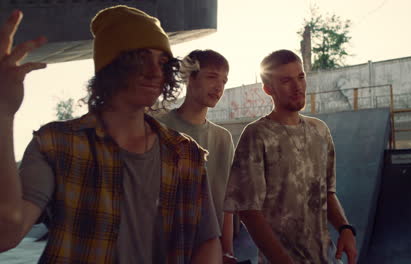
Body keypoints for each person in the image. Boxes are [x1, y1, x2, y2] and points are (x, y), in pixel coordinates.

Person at [0, 6, 222, 263]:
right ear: (110, 66)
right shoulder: (56, 144)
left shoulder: (185, 153)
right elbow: (7, 235)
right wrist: (4, 112)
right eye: (140, 58)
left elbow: (206, 241)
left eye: (162, 62)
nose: (154, 72)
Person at [224, 49, 358, 264]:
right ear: (269, 89)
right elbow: (249, 210)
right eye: (286, 80)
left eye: (301, 77)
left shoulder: (319, 130)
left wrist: (345, 228)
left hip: (326, 257)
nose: (297, 87)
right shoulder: (257, 134)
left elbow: (327, 192)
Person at [155, 49, 239, 263]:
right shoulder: (158, 127)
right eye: (212, 77)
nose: (219, 87)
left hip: (210, 249)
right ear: (190, 78)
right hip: (166, 246)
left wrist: (227, 251)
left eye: (224, 81)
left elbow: (227, 203)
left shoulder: (223, 138)